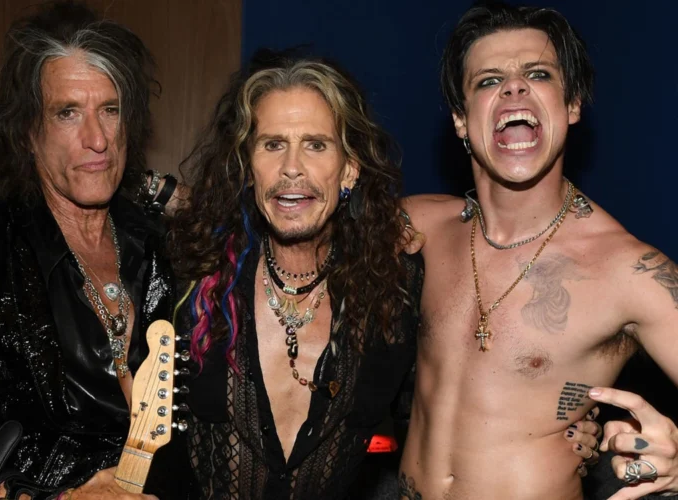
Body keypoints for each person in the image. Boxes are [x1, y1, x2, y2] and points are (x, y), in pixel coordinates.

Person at [165, 49, 598, 499]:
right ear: (248, 167)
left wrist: (564, 424)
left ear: (349, 169)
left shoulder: (395, 289)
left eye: (316, 145)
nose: (291, 167)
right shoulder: (191, 275)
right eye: (273, 144)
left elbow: (462, 399)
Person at [0, 3, 184, 499]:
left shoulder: (166, 250)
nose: (97, 139)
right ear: (28, 131)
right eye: (67, 113)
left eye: (110, 110)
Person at [399, 3, 678, 499]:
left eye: (538, 74)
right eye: (489, 80)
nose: (514, 88)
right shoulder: (421, 226)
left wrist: (676, 468)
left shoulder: (627, 271)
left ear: (572, 105)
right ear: (461, 119)